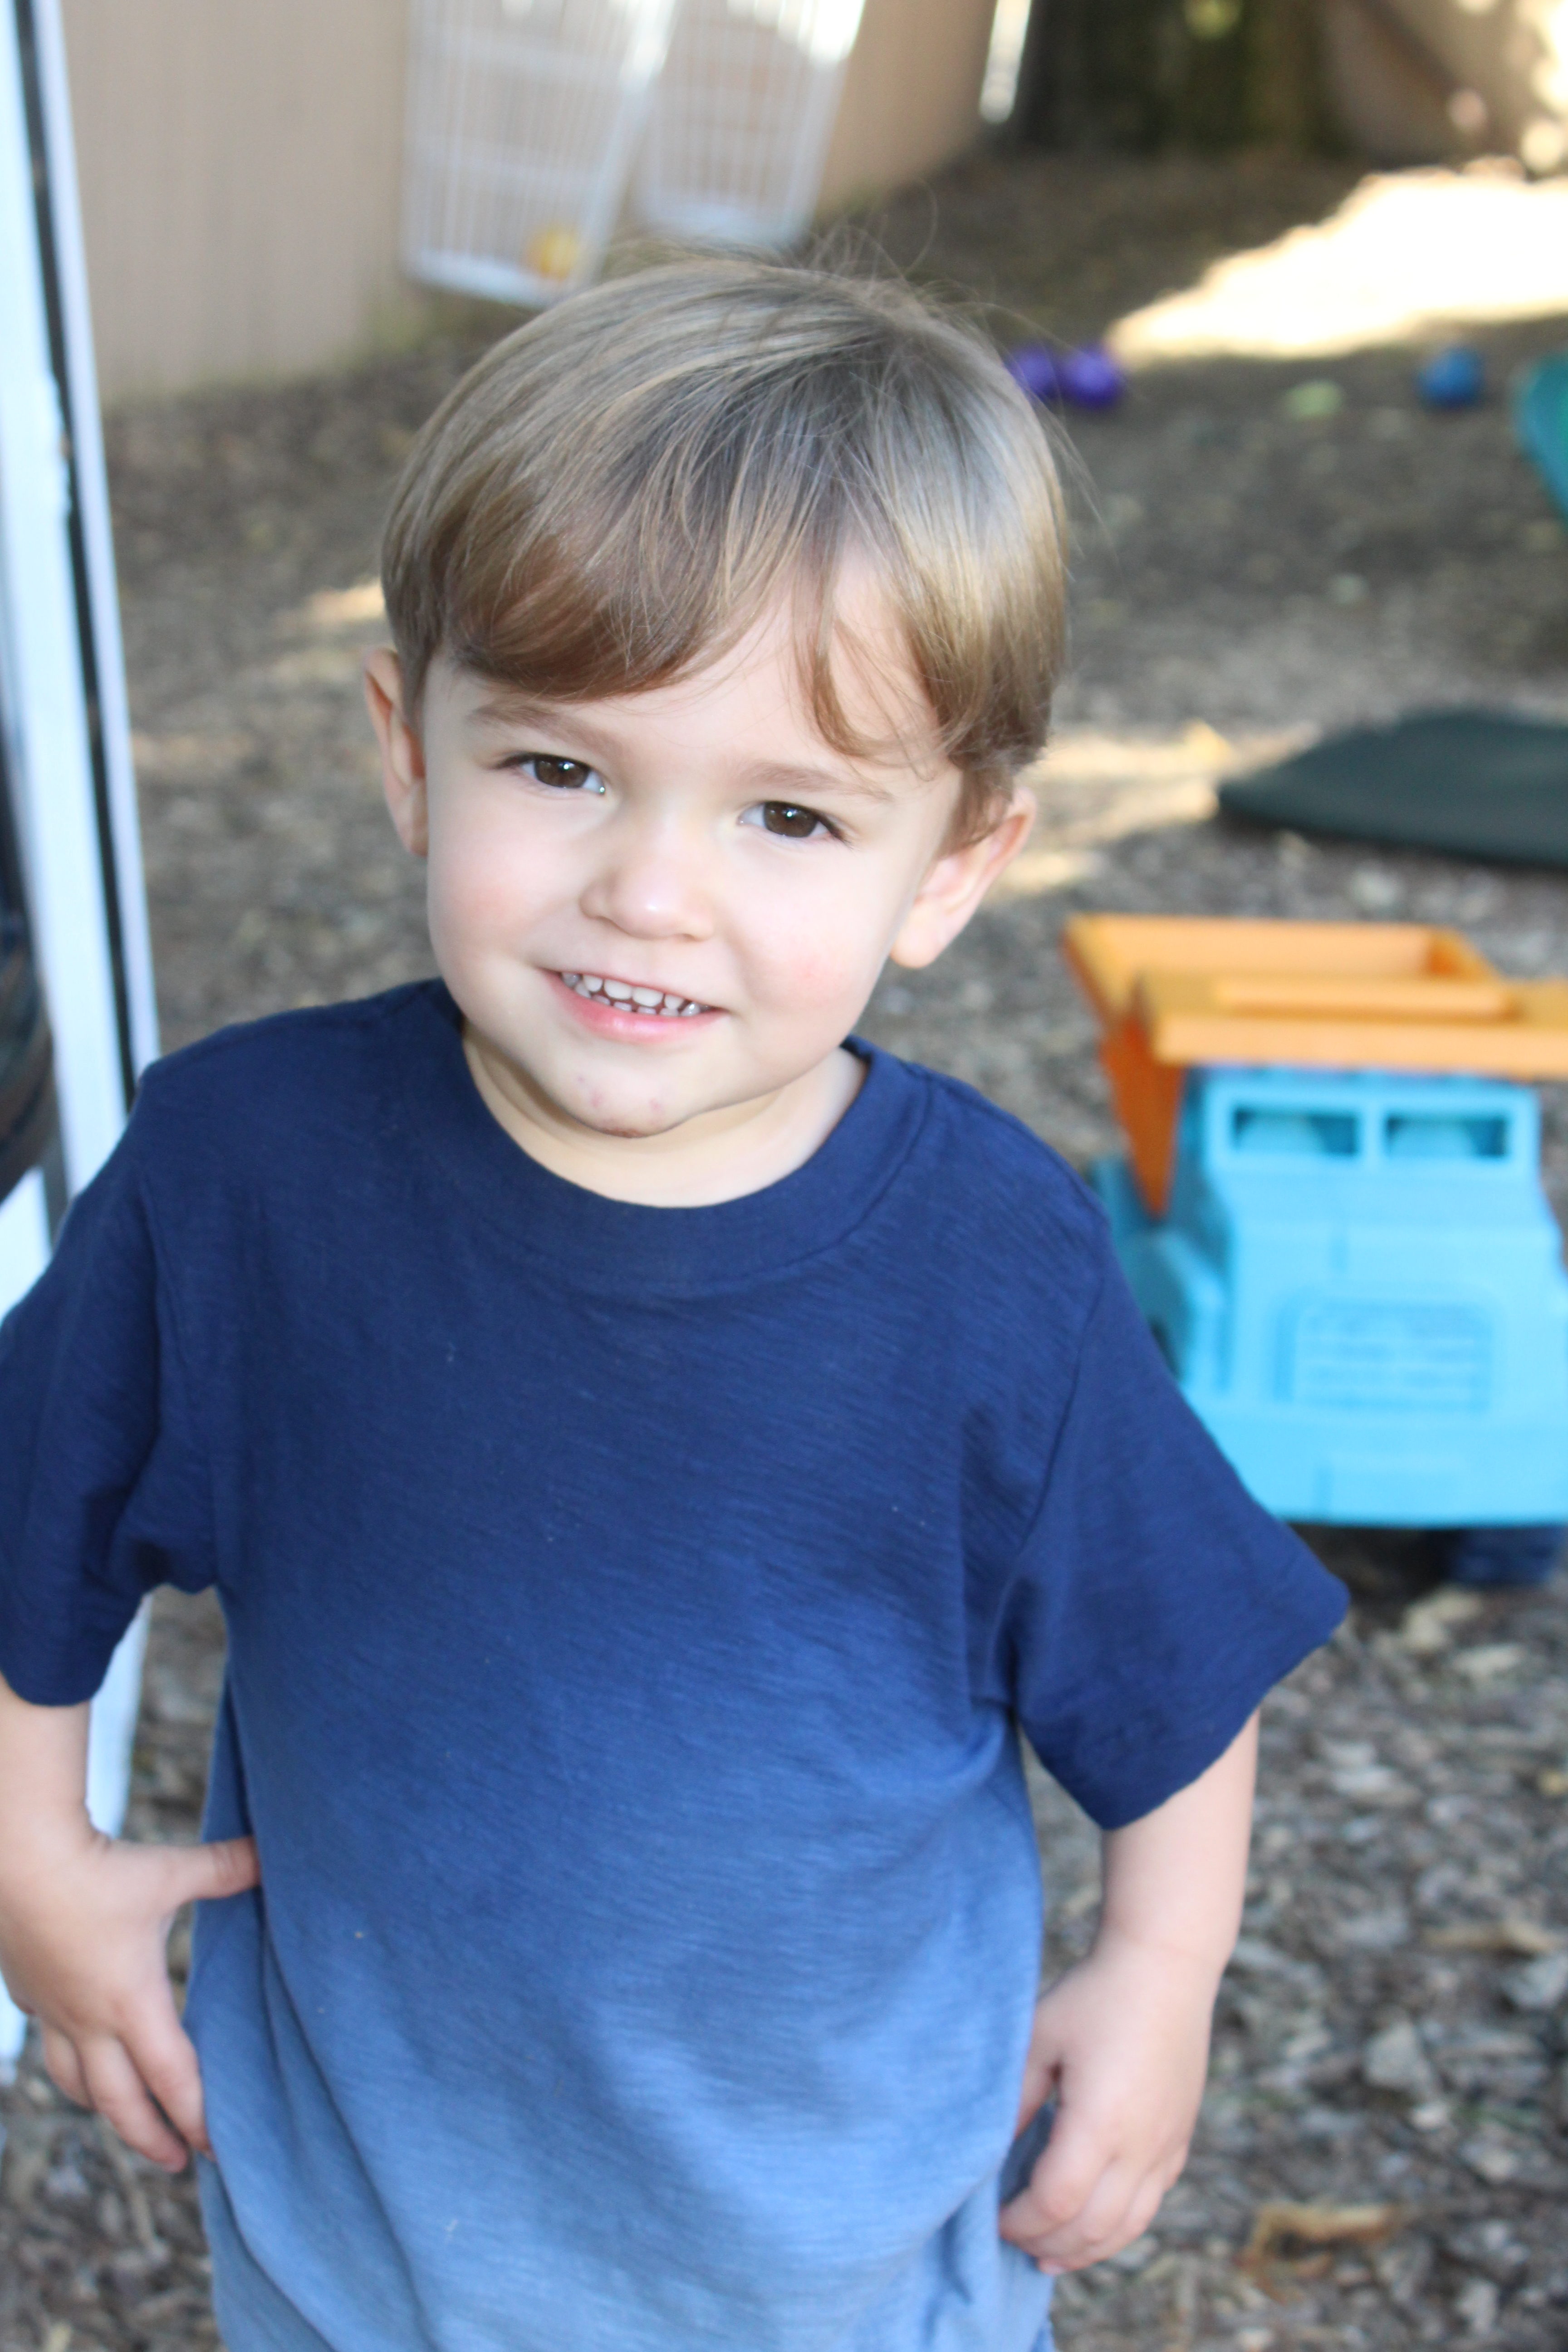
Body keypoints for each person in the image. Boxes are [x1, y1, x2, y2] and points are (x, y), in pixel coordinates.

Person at [0, 259, 1344, 2352]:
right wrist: (32, 1862)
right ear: (410, 751)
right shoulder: (239, 1185)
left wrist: (1157, 1984)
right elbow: (24, 1531)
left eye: (788, 815)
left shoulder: (993, 1269)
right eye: (560, 769)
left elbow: (1173, 1682)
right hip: (369, 2254)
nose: (650, 891)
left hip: (847, 2265)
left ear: (952, 866)